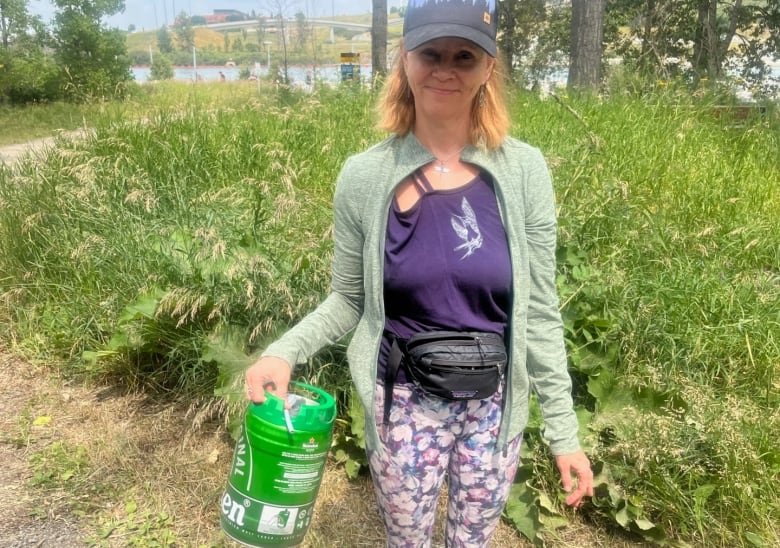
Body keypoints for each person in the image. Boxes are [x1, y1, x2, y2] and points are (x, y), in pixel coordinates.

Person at [245, 1, 594, 545]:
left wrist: (564, 433)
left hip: (494, 407)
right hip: (403, 403)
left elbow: (540, 311)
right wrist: (282, 350)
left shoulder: (524, 170)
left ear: (488, 68)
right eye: (430, 53)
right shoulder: (364, 177)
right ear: (405, 60)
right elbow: (347, 299)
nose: (446, 69)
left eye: (465, 55)